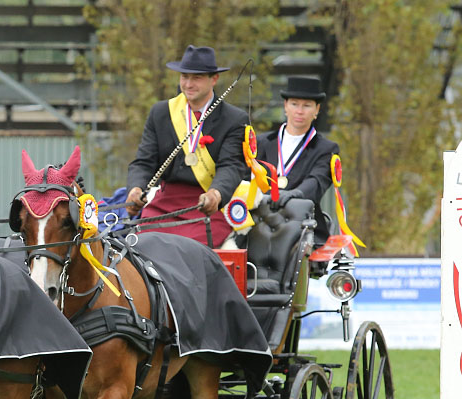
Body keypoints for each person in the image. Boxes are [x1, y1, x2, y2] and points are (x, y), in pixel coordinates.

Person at [126, 45, 249, 248]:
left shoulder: (234, 119)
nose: (188, 84)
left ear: (214, 79)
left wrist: (215, 194)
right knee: (143, 244)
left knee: (190, 249)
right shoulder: (161, 112)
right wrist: (135, 188)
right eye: (184, 77)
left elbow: (231, 166)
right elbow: (144, 161)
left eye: (197, 78)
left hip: (205, 205)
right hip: (164, 205)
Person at [257, 76, 340, 242]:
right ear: (285, 106)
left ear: (317, 110)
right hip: (261, 222)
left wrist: (295, 194)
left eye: (307, 105)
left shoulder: (326, 149)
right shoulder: (261, 142)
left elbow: (316, 182)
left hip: (302, 225)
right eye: (294, 104)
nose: (300, 111)